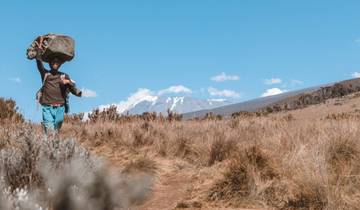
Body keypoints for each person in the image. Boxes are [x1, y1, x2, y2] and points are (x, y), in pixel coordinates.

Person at [36, 57, 82, 134]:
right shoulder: (46, 74)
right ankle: (49, 143)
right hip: (47, 107)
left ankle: (53, 143)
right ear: (50, 64)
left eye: (57, 63)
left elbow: (72, 88)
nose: (55, 64)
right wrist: (38, 52)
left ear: (60, 65)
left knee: (56, 128)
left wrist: (67, 82)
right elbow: (39, 65)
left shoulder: (64, 76)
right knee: (50, 130)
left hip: (60, 107)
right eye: (53, 62)